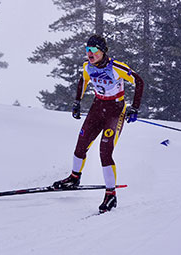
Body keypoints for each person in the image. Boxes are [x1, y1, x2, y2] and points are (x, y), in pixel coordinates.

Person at [52, 34, 144, 213]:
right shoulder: (87, 66)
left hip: (115, 110)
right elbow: (83, 80)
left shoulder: (116, 67)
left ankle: (111, 195)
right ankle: (74, 178)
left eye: (93, 50)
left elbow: (139, 81)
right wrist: (77, 102)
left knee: (105, 150)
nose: (90, 53)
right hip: (97, 107)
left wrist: (135, 107)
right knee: (81, 144)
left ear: (103, 51)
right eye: (87, 50)